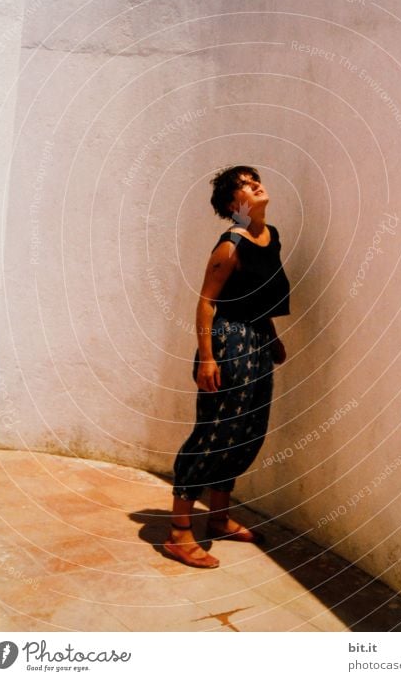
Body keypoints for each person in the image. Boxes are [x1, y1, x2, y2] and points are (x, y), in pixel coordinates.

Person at [164, 165, 291, 568]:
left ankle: (218, 517)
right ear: (234, 203)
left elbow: (258, 295)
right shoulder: (231, 244)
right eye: (244, 185)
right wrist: (206, 357)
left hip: (256, 339)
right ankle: (179, 533)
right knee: (216, 433)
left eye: (255, 179)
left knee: (248, 433)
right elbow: (206, 301)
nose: (255, 184)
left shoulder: (270, 238)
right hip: (229, 341)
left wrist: (271, 336)